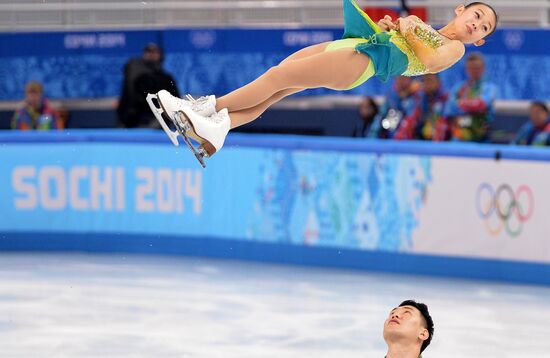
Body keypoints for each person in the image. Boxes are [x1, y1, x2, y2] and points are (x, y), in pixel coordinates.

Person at [148, 0, 498, 164]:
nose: (476, 24)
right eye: (477, 15)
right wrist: (398, 27)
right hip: (356, 45)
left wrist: (406, 25)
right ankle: (221, 128)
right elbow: (415, 40)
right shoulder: (434, 32)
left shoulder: (453, 49)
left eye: (483, 28)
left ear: (479, 41)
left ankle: (204, 107)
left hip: (362, 61)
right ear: (461, 8)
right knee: (281, 83)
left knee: (275, 78)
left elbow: (431, 57)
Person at [118, 43, 180, 128]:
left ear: (160, 55)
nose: (151, 54)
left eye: (154, 52)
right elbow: (130, 97)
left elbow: (176, 99)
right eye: (148, 52)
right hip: (137, 119)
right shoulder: (135, 72)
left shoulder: (166, 78)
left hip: (159, 121)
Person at [445, 52, 499, 142]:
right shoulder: (458, 88)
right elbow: (450, 108)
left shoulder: (490, 88)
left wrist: (460, 103)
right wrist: (470, 105)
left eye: (477, 68)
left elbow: (481, 104)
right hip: (458, 138)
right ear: (467, 69)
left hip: (482, 138)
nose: (475, 71)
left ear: (483, 69)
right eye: (472, 68)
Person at [394, 73, 450, 141]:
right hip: (421, 137)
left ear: (438, 82)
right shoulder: (419, 99)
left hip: (442, 141)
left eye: (429, 80)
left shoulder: (446, 99)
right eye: (424, 81)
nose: (427, 84)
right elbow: (410, 119)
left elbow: (446, 121)